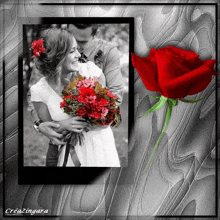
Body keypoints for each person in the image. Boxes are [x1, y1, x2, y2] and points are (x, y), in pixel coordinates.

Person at [29, 27, 120, 167]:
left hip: (101, 147)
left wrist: (93, 115)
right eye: (72, 51)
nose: (78, 54)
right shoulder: (39, 91)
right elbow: (51, 133)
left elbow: (109, 115)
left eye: (77, 48)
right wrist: (60, 126)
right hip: (69, 154)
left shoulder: (91, 72)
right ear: (57, 57)